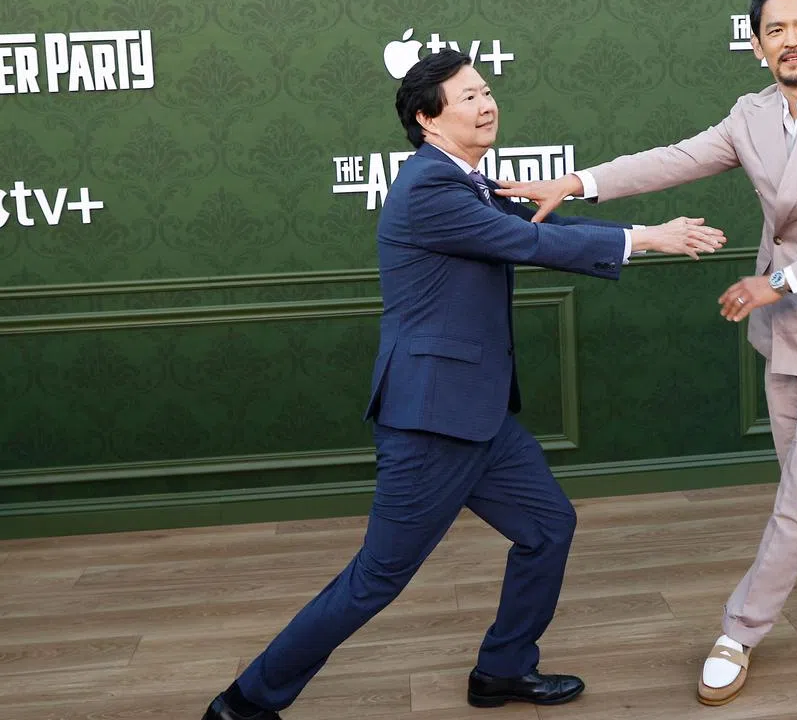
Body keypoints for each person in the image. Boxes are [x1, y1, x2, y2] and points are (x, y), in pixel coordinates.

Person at [201, 49, 726, 719]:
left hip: (476, 415)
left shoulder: (469, 182)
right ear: (427, 119)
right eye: (468, 96)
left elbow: (540, 227)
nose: (486, 104)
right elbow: (530, 246)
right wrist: (646, 237)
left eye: (486, 91)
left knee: (547, 527)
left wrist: (626, 228)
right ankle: (245, 703)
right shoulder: (429, 187)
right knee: (376, 579)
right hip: (429, 423)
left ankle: (503, 670)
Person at [497, 0, 797, 706]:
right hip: (788, 327)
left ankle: (739, 629)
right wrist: (575, 184)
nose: (789, 42)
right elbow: (676, 159)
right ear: (757, 45)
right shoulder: (751, 114)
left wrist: (782, 281)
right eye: (774, 31)